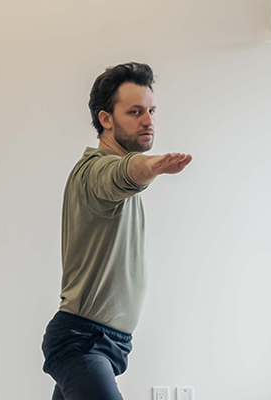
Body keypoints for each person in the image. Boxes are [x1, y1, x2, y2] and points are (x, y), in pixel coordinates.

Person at [41, 62, 192, 400]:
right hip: (82, 342)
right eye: (135, 112)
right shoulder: (94, 172)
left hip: (106, 344)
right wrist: (150, 166)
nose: (148, 120)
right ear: (106, 119)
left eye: (151, 110)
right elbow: (122, 173)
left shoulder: (115, 178)